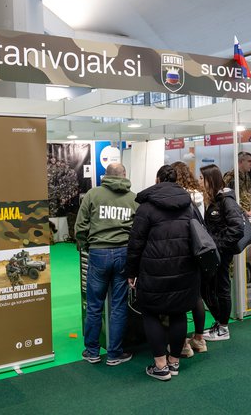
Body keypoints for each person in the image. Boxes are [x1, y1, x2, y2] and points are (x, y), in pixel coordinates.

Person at [126, 165, 199, 381]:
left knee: (150, 313)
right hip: (185, 268)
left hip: (153, 270)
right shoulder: (188, 205)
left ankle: (160, 366)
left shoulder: (146, 208)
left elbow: (135, 243)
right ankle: (174, 362)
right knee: (178, 312)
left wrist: (131, 272)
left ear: (157, 179)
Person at [75, 163, 138, 366]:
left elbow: (80, 226)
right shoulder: (133, 198)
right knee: (119, 305)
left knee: (94, 305)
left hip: (98, 253)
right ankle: (114, 354)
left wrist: (85, 244)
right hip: (123, 253)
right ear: (125, 175)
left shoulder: (92, 195)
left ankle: (92, 351)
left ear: (105, 176)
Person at [199, 164, 246, 341]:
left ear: (210, 180)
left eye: (202, 178)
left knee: (222, 288)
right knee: (211, 288)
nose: (199, 181)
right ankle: (219, 323)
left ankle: (224, 328)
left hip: (221, 253)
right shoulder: (212, 200)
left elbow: (237, 228)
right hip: (215, 253)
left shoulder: (227, 200)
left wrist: (218, 245)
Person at [171, 161, 207, 357]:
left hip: (182, 249)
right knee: (197, 296)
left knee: (180, 298)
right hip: (199, 248)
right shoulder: (198, 194)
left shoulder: (178, 196)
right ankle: (200, 340)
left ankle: (183, 343)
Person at [222, 151, 251, 216]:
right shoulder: (230, 177)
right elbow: (228, 198)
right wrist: (244, 212)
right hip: (236, 214)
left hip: (248, 214)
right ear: (241, 162)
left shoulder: (247, 176)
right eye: (249, 161)